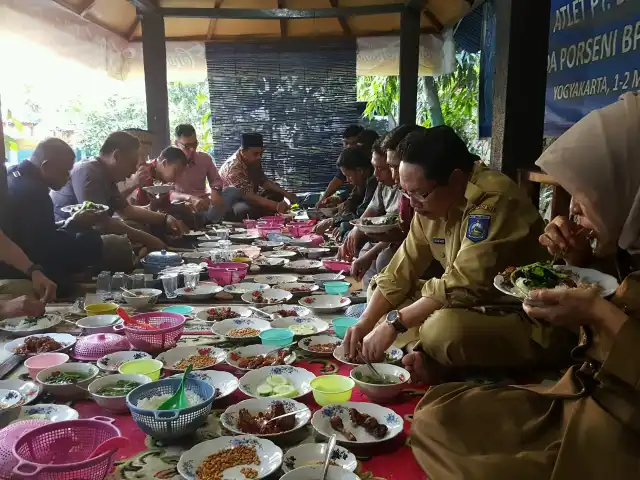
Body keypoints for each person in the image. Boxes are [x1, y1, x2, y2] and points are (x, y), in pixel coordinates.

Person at [410, 92, 640, 480]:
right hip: (577, 395)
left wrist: (598, 312)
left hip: (619, 431)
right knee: (436, 412)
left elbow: (463, 282)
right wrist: (578, 260)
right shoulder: (628, 249)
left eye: (587, 194)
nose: (573, 211)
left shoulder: (492, 197)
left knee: (480, 464)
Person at [343, 125, 575, 382]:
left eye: (420, 194)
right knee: (379, 290)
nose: (412, 204)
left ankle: (433, 355)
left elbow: (463, 284)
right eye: (406, 193)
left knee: (442, 329)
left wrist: (393, 324)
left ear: (454, 179)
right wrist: (364, 322)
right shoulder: (426, 204)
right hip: (465, 304)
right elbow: (400, 271)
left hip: (520, 314)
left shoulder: (493, 199)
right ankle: (421, 354)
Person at [1, 138, 105, 297]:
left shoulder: (14, 173)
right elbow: (46, 249)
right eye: (65, 171)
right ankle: (71, 290)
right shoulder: (34, 193)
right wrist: (74, 224)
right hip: (20, 265)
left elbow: (36, 232)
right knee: (91, 240)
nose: (69, 177)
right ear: (46, 166)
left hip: (22, 251)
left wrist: (69, 223)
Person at [51, 131, 187, 251]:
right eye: (132, 164)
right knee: (118, 244)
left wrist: (165, 218)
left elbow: (127, 210)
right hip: (66, 235)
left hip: (88, 232)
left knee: (136, 227)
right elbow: (103, 223)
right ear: (116, 156)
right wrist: (151, 240)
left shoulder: (106, 174)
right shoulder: (89, 172)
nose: (134, 170)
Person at [341, 136, 402, 287]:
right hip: (389, 237)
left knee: (382, 258)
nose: (375, 174)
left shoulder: (407, 189)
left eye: (382, 169)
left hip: (399, 240)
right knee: (360, 245)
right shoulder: (382, 184)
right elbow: (371, 209)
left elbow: (408, 231)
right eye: (374, 167)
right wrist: (355, 230)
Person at [0, 154, 57, 302]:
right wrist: (5, 309)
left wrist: (33, 270)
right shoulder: (35, 192)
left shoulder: (9, 174)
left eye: (3, 160)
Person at [172, 124, 243, 223]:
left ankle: (208, 217)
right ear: (176, 143)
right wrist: (189, 198)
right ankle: (208, 219)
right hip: (184, 204)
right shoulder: (171, 163)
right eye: (187, 146)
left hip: (205, 204)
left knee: (232, 191)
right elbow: (169, 193)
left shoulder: (204, 159)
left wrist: (215, 191)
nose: (192, 149)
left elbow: (216, 180)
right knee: (176, 207)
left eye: (195, 144)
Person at [219, 133, 297, 219]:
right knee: (245, 211)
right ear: (243, 151)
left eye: (261, 153)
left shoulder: (253, 160)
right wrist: (276, 206)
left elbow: (264, 181)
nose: (259, 157)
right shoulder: (234, 168)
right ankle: (266, 212)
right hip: (231, 203)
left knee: (277, 193)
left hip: (249, 196)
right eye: (255, 154)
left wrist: (286, 193)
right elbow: (249, 197)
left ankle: (265, 210)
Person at [314, 146, 378, 239]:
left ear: (360, 171)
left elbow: (362, 215)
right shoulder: (361, 183)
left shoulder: (374, 183)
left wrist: (333, 221)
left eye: (348, 176)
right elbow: (352, 201)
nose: (347, 180)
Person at [316, 125, 364, 208]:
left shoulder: (367, 161)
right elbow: (337, 181)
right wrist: (323, 199)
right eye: (346, 143)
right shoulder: (347, 160)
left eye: (352, 143)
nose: (348, 147)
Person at [118, 128, 155, 200]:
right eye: (137, 156)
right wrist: (134, 185)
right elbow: (111, 204)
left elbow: (133, 207)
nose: (142, 161)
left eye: (145, 155)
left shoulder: (139, 175)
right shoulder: (115, 177)